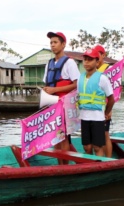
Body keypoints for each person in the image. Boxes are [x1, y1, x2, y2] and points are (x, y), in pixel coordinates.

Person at [43, 31, 80, 164]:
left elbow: (76, 84)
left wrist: (55, 90)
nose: (52, 45)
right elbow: (47, 83)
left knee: (63, 136)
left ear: (63, 44)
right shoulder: (49, 64)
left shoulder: (70, 63)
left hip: (64, 105)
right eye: (51, 43)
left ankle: (66, 165)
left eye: (55, 42)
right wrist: (47, 90)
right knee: (55, 136)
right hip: (52, 104)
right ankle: (60, 165)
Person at [77, 49, 115, 156]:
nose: (86, 62)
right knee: (87, 147)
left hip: (98, 117)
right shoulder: (80, 78)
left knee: (97, 147)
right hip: (84, 117)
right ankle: (89, 167)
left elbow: (111, 99)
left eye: (90, 60)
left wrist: (106, 113)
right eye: (85, 60)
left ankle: (100, 167)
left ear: (97, 62)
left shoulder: (102, 78)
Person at [93, 44, 113, 157]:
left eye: (98, 55)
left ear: (103, 55)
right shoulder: (94, 70)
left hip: (105, 107)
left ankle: (108, 159)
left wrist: (109, 110)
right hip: (95, 108)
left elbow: (112, 92)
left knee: (105, 134)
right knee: (98, 135)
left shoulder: (108, 69)